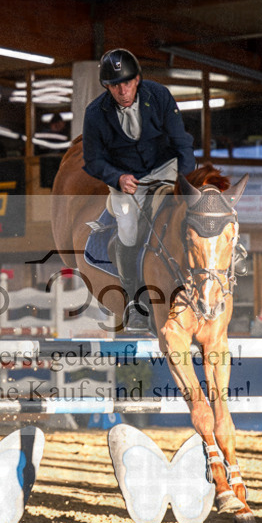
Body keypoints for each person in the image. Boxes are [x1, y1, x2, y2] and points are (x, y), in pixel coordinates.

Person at [81, 48, 196, 331]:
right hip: (126, 179)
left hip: (165, 169)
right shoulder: (95, 113)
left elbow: (181, 141)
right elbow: (93, 160)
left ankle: (203, 284)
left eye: (128, 82)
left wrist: (187, 180)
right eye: (115, 85)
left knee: (194, 215)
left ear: (138, 79)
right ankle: (135, 302)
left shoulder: (159, 96)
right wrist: (117, 177)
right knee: (129, 229)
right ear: (107, 87)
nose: (123, 90)